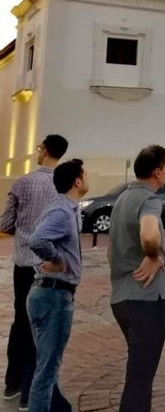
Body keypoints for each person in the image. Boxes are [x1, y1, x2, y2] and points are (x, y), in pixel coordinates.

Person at [0, 133, 69, 410]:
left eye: (39, 147)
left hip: (23, 262)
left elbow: (6, 222)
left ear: (45, 151)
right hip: (49, 264)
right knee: (40, 327)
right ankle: (31, 390)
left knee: (21, 319)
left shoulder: (23, 183)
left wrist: (21, 226)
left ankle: (12, 382)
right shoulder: (61, 187)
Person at [109, 144, 165, 412]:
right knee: (141, 377)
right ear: (157, 172)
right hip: (147, 298)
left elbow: (113, 249)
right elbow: (149, 234)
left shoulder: (122, 198)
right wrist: (154, 254)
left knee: (137, 372)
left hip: (122, 296)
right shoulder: (150, 200)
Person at [27, 158, 89, 412]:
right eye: (85, 174)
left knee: (48, 364)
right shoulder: (62, 211)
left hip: (52, 293)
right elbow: (38, 240)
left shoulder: (68, 209)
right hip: (53, 295)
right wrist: (58, 259)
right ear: (77, 181)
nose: (87, 178)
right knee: (46, 369)